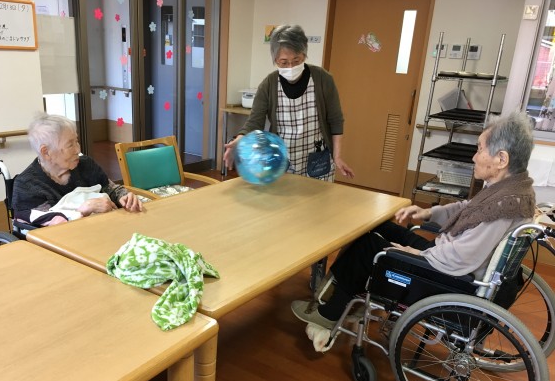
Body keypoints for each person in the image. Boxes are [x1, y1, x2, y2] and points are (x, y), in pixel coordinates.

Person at [292, 111, 536, 329]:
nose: (474, 157)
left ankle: (330, 313)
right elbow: (466, 209)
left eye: (480, 149)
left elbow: (463, 257)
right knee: (376, 225)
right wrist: (428, 213)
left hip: (449, 276)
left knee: (368, 246)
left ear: (501, 159)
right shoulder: (509, 189)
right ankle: (340, 295)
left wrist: (417, 255)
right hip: (444, 259)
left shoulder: (504, 206)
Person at [223, 24, 354, 182]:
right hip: (281, 160)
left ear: (304, 55)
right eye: (284, 62)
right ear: (275, 60)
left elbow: (336, 120)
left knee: (318, 197)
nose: (291, 67)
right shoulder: (269, 84)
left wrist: (337, 156)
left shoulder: (323, 79)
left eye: (296, 60)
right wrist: (238, 140)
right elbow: (254, 122)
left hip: (318, 160)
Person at [12, 113, 142, 226]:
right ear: (46, 152)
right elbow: (45, 227)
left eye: (76, 141)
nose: (78, 149)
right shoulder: (27, 185)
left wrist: (124, 197)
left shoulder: (86, 165)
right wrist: (83, 210)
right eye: (70, 145)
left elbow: (110, 189)